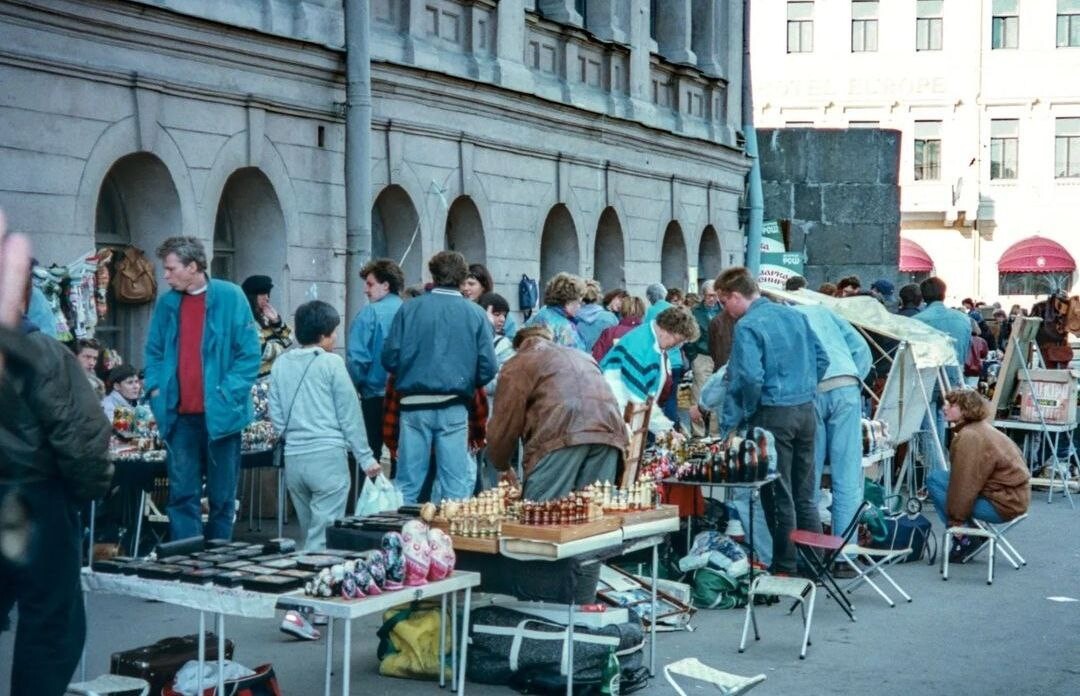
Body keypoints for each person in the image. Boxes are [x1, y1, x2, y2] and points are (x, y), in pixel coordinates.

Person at [1, 227, 113, 694]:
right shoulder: (42, 352)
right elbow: (82, 440)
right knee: (52, 627)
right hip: (33, 501)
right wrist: (87, 494)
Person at [144, 236, 260, 541]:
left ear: (192, 266)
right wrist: (156, 392)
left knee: (222, 497)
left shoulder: (231, 297)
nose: (165, 275)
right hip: (179, 416)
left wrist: (226, 394)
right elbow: (153, 352)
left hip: (221, 417)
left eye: (170, 269)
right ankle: (188, 558)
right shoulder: (167, 304)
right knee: (182, 495)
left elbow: (249, 355)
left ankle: (218, 558)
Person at [716, 267, 829, 575]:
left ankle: (785, 565)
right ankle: (813, 565)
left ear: (736, 296)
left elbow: (749, 377)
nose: (724, 309)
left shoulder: (749, 325)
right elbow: (823, 359)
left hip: (773, 412)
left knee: (779, 494)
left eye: (723, 302)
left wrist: (748, 413)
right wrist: (804, 388)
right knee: (805, 494)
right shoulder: (795, 315)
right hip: (805, 409)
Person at [381, 251, 497, 503]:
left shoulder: (409, 309)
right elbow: (488, 368)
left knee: (407, 485)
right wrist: (465, 380)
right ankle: (450, 540)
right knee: (455, 486)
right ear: (462, 278)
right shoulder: (475, 314)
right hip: (454, 404)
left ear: (433, 275)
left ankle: (403, 538)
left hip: (413, 404)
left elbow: (389, 359)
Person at [271, 301, 379, 553]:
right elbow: (349, 413)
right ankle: (311, 586)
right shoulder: (332, 363)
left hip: (294, 458)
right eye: (334, 331)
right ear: (323, 335)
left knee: (309, 529)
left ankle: (304, 578)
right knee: (322, 539)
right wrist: (365, 457)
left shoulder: (280, 364)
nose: (335, 337)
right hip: (328, 457)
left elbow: (275, 413)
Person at [487, 325, 628, 501]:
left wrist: (502, 464)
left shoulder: (519, 362)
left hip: (561, 433)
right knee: (593, 510)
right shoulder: (582, 356)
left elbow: (505, 422)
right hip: (609, 432)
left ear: (518, 347)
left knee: (542, 512)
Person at [792, 303, 872, 549]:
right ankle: (845, 554)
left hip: (811, 390)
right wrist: (854, 379)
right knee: (847, 476)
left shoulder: (784, 316)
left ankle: (812, 548)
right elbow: (861, 349)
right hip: (845, 385)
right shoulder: (824, 311)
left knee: (810, 474)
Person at [927, 389, 1029, 561]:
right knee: (937, 478)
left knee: (938, 482)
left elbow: (965, 485)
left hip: (1003, 505)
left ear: (966, 410)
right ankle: (971, 533)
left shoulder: (970, 436)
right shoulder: (980, 429)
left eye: (951, 405)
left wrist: (956, 522)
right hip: (1012, 498)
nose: (945, 408)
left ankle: (964, 538)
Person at [600, 306, 699, 437]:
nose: (676, 346)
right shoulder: (642, 349)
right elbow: (639, 401)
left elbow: (645, 400)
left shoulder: (649, 339)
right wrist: (665, 431)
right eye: (678, 340)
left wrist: (667, 430)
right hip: (612, 419)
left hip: (614, 415)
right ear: (666, 330)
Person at [347, 258, 404, 464]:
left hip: (374, 395)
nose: (365, 290)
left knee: (368, 457)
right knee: (402, 457)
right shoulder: (409, 310)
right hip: (405, 395)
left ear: (386, 285)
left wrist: (358, 386)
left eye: (370, 284)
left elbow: (357, 359)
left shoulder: (369, 313)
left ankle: (367, 495)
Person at [914, 276, 971, 465]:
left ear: (923, 296)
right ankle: (952, 468)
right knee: (951, 421)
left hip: (929, 378)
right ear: (944, 294)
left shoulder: (918, 320)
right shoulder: (963, 319)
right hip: (955, 378)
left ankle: (936, 471)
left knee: (930, 426)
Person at [644, 282, 687, 430]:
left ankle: (657, 434)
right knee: (671, 398)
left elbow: (647, 337)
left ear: (650, 298)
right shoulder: (674, 310)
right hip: (675, 362)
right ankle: (673, 431)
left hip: (658, 361)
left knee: (654, 399)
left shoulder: (651, 311)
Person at [686, 280, 721, 436]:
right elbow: (689, 336)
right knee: (699, 394)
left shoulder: (725, 311)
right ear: (703, 296)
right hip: (702, 356)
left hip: (720, 357)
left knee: (718, 394)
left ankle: (715, 434)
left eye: (715, 295)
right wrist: (693, 357)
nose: (712, 299)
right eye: (709, 296)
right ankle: (698, 434)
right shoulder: (694, 312)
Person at [241, 275, 293, 378]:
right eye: (262, 294)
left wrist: (276, 322)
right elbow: (262, 351)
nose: (267, 298)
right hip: (255, 381)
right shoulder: (245, 319)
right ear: (252, 296)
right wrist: (281, 343)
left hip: (271, 379)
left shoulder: (265, 315)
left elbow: (290, 337)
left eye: (268, 294)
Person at [523, 272, 587, 350]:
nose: (579, 307)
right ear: (568, 302)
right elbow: (574, 354)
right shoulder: (564, 327)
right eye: (578, 302)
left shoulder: (541, 313)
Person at [461, 262, 518, 339]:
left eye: (471, 284)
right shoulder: (459, 309)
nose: (465, 288)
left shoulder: (502, 312)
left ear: (484, 286)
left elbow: (511, 342)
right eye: (462, 284)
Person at [591, 295, 645, 362]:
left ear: (622, 311)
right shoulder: (649, 335)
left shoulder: (609, 333)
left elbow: (596, 358)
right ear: (642, 312)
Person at [574, 280, 618, 351]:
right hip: (600, 359)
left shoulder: (572, 316)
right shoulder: (610, 318)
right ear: (598, 296)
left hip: (576, 359)